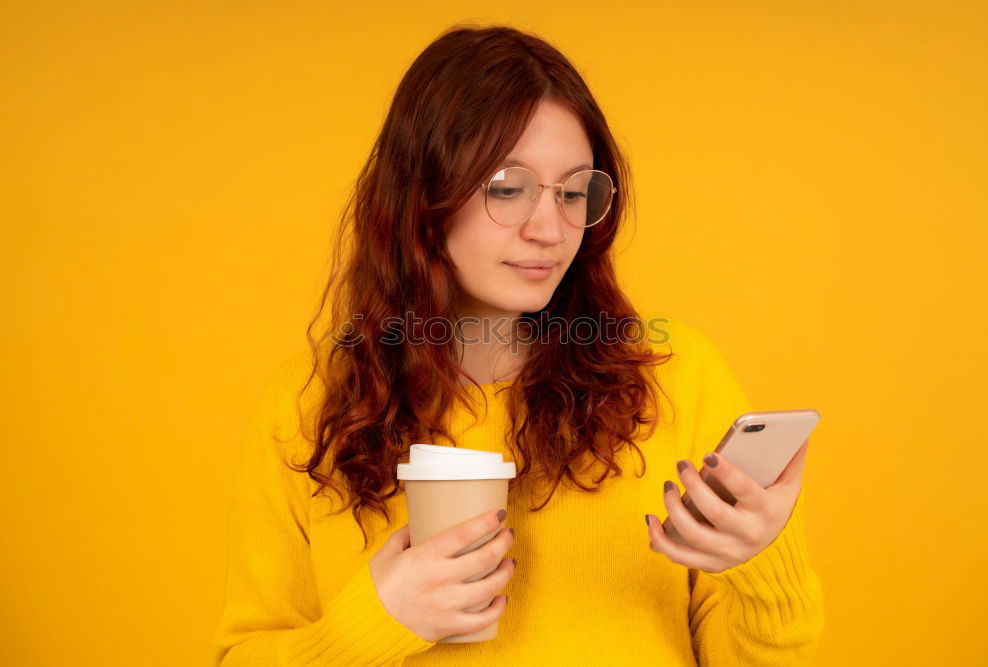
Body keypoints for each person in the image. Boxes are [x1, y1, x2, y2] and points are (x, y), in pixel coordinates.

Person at [213, 23, 824, 666]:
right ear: (424, 198)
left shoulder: (675, 375)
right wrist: (380, 619)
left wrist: (761, 561)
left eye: (572, 192)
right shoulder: (308, 406)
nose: (550, 229)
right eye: (508, 188)